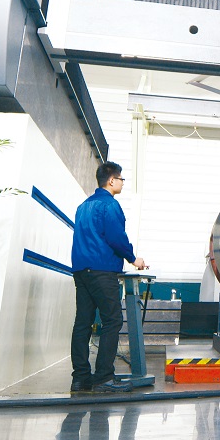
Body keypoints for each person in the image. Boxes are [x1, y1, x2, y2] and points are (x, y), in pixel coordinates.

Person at [70, 161, 148, 393]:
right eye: (121, 179)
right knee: (112, 320)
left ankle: (80, 378)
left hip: (81, 271)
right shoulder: (110, 205)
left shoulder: (83, 206)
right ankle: (104, 377)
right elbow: (116, 237)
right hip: (102, 270)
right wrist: (133, 259)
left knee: (82, 323)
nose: (122, 183)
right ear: (112, 180)